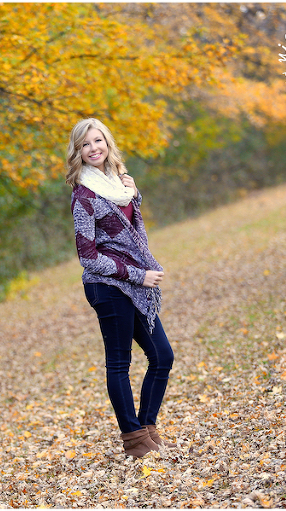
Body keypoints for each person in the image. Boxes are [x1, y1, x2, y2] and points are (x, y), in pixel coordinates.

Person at [66, 118, 175, 459]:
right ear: (78, 152)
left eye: (98, 140)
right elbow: (88, 256)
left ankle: (147, 426)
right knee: (119, 363)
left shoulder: (121, 186)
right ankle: (134, 438)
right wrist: (136, 274)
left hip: (131, 284)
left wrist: (134, 195)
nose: (93, 148)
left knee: (162, 356)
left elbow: (134, 231)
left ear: (108, 144)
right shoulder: (83, 196)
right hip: (108, 287)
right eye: (85, 144)